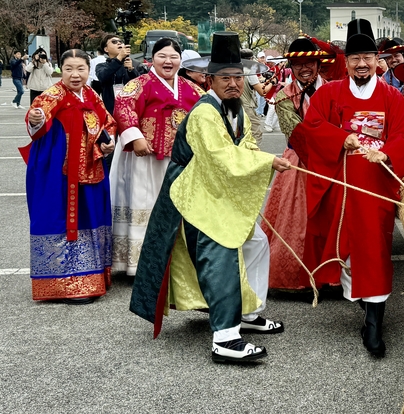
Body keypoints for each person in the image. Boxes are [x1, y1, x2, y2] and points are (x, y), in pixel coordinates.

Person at [129, 32, 290, 363]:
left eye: (237, 77)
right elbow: (221, 156)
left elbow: (244, 147)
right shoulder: (205, 112)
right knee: (221, 254)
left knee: (256, 242)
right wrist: (268, 161)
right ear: (209, 79)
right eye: (224, 78)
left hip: (214, 188)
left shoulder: (236, 111)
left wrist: (258, 157)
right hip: (194, 191)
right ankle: (225, 338)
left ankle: (250, 311)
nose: (233, 84)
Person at [289, 18, 404, 357]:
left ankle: (375, 322)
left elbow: (403, 134)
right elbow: (312, 125)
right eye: (355, 58)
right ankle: (363, 302)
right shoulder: (330, 93)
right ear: (346, 62)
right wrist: (342, 138)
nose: (362, 64)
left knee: (374, 250)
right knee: (343, 248)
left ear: (377, 60)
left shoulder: (393, 97)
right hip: (340, 184)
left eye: (368, 57)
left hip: (374, 184)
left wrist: (384, 151)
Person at [22, 49, 116, 303]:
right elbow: (35, 122)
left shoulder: (92, 94)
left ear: (89, 70)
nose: (75, 75)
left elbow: (107, 122)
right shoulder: (51, 96)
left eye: (80, 69)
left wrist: (109, 142)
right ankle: (63, 285)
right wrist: (35, 118)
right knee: (60, 219)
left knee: (90, 217)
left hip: (90, 168)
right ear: (60, 70)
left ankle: (91, 277)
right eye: (69, 69)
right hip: (58, 171)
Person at [110, 37, 204, 276]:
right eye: (162, 56)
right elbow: (123, 106)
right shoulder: (140, 83)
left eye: (174, 57)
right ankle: (139, 263)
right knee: (145, 203)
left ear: (181, 60)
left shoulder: (191, 88)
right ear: (152, 59)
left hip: (179, 160)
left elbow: (207, 111)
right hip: (146, 157)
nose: (168, 61)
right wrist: (135, 136)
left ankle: (176, 261)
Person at [261, 37, 331, 290]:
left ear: (317, 63)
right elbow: (296, 133)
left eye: (309, 62)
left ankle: (334, 276)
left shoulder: (334, 89)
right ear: (291, 66)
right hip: (301, 161)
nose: (305, 68)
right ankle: (296, 278)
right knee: (297, 220)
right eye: (298, 64)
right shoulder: (283, 96)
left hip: (332, 158)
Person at [96, 37, 140, 114]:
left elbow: (140, 84)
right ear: (106, 49)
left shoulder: (134, 64)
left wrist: (131, 70)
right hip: (111, 110)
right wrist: (119, 58)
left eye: (121, 41)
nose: (119, 43)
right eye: (114, 42)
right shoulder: (101, 66)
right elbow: (103, 76)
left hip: (131, 110)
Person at [240, 48, 268, 144]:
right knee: (255, 133)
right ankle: (253, 155)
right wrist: (272, 82)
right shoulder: (249, 70)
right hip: (247, 106)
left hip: (238, 106)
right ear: (250, 59)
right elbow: (262, 92)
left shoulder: (236, 69)